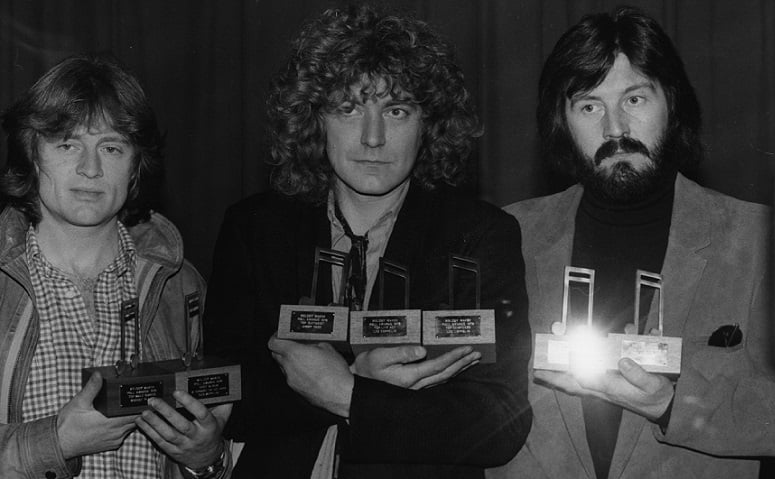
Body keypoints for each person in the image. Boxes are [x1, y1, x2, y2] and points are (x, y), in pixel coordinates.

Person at [203, 4, 532, 478]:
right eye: (349, 108)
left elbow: (500, 423)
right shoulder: (254, 227)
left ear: (428, 123)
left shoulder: (479, 236)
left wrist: (350, 394)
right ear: (315, 118)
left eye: (396, 111)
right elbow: (224, 392)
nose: (373, 137)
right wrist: (353, 379)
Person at [488, 6, 775, 479]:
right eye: (589, 106)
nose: (615, 128)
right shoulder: (509, 234)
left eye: (634, 99)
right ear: (561, 122)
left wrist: (671, 403)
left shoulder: (760, 239)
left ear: (672, 103)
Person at [0, 55, 232, 479]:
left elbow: (211, 452)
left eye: (111, 148)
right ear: (32, 155)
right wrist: (56, 442)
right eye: (67, 145)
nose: (90, 169)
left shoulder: (180, 285)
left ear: (135, 165)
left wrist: (205, 458)